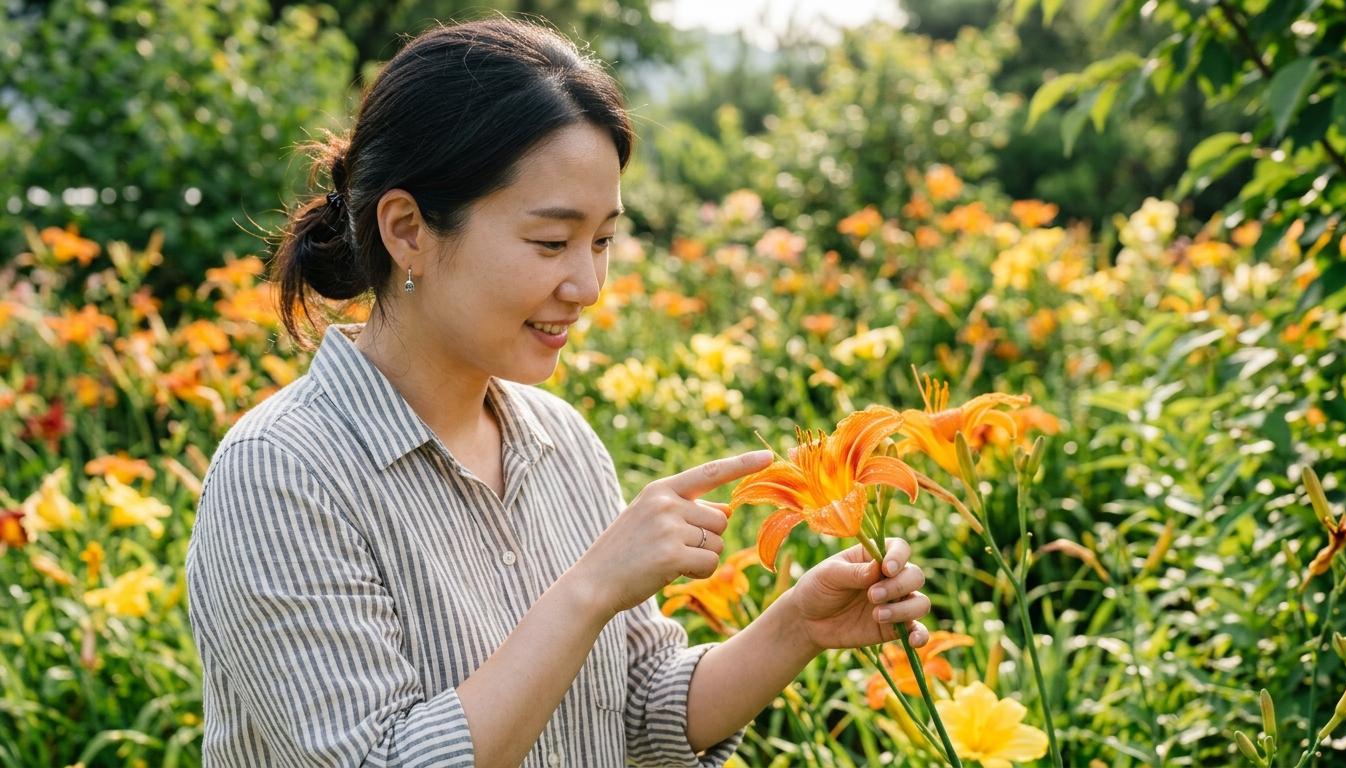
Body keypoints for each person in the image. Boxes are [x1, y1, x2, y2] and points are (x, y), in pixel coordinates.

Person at [185, 17, 932, 768]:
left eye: (602, 240)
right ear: (407, 230)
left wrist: (796, 627)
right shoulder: (280, 472)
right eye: (552, 242)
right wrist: (590, 588)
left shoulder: (559, 439)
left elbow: (635, 714)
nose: (588, 286)